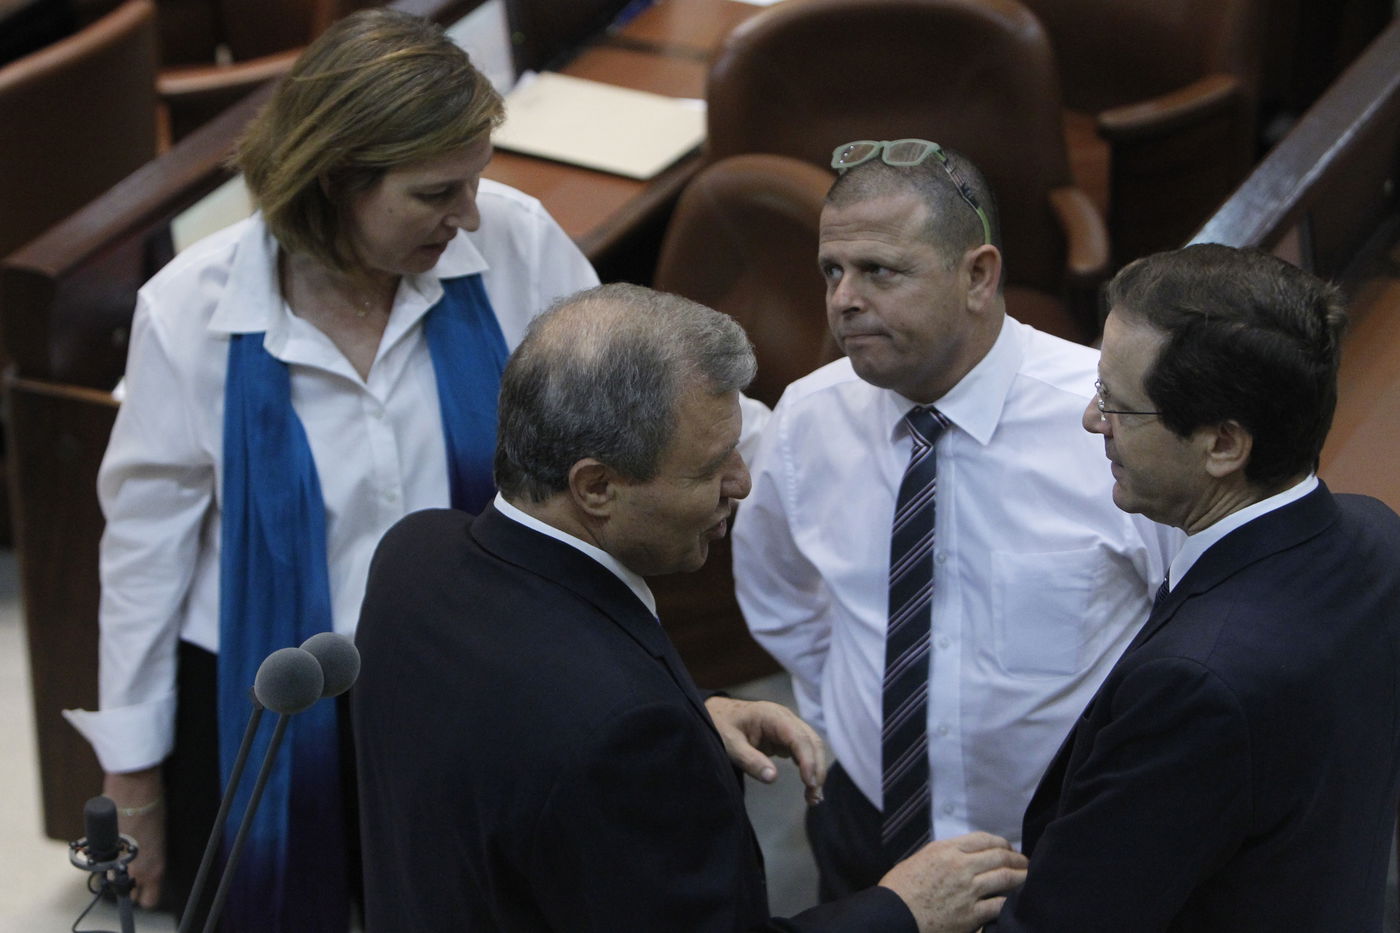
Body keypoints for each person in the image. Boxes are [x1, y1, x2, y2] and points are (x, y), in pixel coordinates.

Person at [60, 10, 598, 932]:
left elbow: (619, 404)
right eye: (436, 192)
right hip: (276, 697)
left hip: (480, 680)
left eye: (474, 182)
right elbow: (145, 550)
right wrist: (133, 773)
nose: (468, 214)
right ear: (337, 180)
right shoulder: (188, 312)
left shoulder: (511, 240)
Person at [353, 283, 1027, 933]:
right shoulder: (622, 730)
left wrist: (689, 709)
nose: (741, 480)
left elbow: (517, 724)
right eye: (709, 468)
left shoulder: (412, 557)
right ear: (595, 486)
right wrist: (902, 909)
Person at [732, 139, 1180, 898]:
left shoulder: (1109, 421)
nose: (844, 299)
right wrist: (847, 720)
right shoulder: (808, 419)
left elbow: (1189, 629)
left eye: (879, 271)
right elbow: (782, 596)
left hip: (1062, 848)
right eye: (832, 271)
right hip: (868, 829)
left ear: (978, 274)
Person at [992, 244, 1400, 931]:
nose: (1094, 421)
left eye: (1117, 403)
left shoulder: (1196, 684)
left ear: (1222, 445)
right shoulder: (1376, 534)